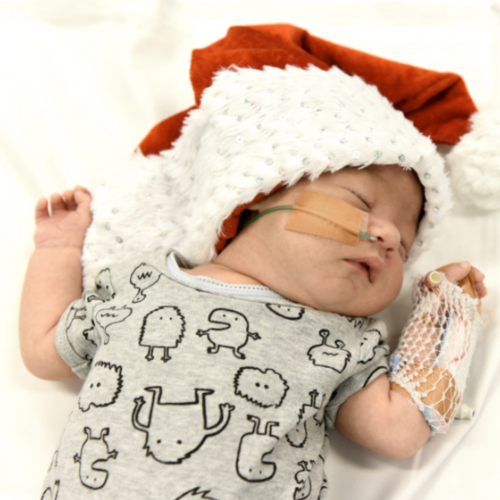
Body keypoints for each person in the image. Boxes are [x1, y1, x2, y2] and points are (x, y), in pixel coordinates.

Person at [18, 26, 488, 500]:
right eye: (359, 202)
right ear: (257, 196)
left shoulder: (340, 342)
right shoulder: (143, 282)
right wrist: (57, 250)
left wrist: (446, 317)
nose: (388, 238)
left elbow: (397, 432)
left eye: (405, 246)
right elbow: (44, 350)